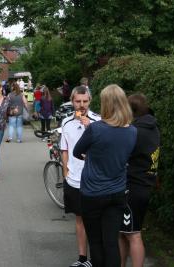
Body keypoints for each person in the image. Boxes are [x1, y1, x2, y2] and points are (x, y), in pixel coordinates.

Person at [73, 84, 137, 267]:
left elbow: (78, 152)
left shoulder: (96, 129)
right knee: (111, 242)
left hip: (92, 192)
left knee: (96, 242)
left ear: (105, 104)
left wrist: (91, 157)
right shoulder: (132, 131)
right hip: (117, 193)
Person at [60, 85, 100, 267]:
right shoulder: (66, 122)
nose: (81, 105)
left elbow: (102, 148)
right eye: (78, 101)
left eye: (85, 101)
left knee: (94, 220)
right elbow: (64, 149)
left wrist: (90, 127)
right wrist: (66, 173)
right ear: (72, 102)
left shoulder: (98, 121)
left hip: (94, 180)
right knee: (79, 219)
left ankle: (95, 258)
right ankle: (82, 258)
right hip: (74, 179)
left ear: (90, 101)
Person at [119, 94, 160, 267]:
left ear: (131, 111)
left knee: (133, 234)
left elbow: (122, 156)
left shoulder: (135, 131)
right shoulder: (153, 127)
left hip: (132, 188)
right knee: (122, 232)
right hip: (145, 185)